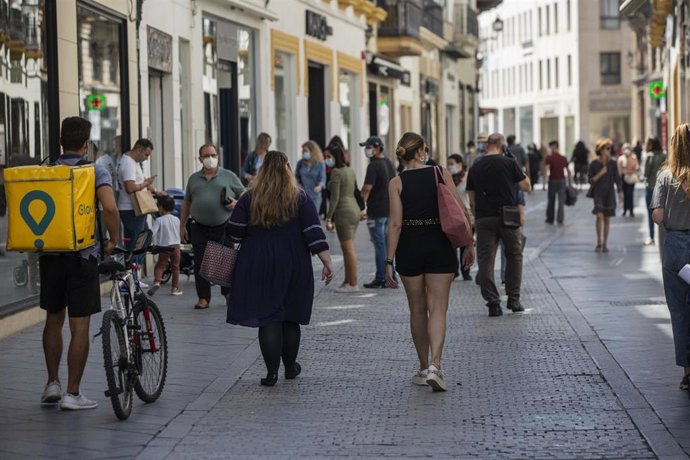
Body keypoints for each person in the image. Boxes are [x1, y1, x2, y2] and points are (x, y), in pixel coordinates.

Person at [226, 151, 334, 386]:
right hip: (293, 262)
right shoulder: (299, 198)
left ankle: (271, 373)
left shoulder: (250, 198)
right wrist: (326, 261)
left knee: (268, 317)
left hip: (256, 262)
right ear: (287, 170)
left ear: (262, 171)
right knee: (290, 317)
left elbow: (234, 232)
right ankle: (290, 367)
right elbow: (313, 232)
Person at [40, 117, 120, 410]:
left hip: (50, 256)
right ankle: (72, 394)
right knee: (80, 325)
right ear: (86, 144)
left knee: (53, 319)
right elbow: (109, 207)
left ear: (61, 142)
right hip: (83, 256)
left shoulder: (47, 170)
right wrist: (113, 239)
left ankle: (52, 383)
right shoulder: (94, 170)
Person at [385, 133, 474, 392]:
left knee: (416, 309)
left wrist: (388, 260)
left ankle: (423, 368)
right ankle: (436, 365)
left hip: (410, 247)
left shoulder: (396, 183)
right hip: (439, 245)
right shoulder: (439, 172)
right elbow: (460, 209)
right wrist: (469, 242)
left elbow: (395, 224)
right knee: (438, 308)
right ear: (422, 151)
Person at [466, 132, 531, 317]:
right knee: (514, 256)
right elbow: (527, 186)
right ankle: (513, 299)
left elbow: (471, 197)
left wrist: (476, 215)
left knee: (485, 260)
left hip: (484, 218)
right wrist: (517, 165)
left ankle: (493, 302)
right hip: (508, 217)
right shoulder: (509, 163)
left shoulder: (476, 166)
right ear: (503, 145)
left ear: (487, 145)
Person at [180, 143, 245, 310]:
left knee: (226, 260)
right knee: (200, 262)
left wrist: (236, 203)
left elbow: (244, 194)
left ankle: (228, 294)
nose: (211, 158)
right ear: (200, 158)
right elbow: (186, 202)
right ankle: (203, 298)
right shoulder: (194, 178)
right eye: (207, 155)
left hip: (223, 225)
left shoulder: (228, 175)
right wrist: (181, 226)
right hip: (199, 226)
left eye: (213, 155)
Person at [650, 123, 690, 395]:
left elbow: (658, 215)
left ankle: (687, 372)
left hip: (676, 247)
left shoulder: (665, 176)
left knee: (679, 312)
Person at [360, 136, 397, 289]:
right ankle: (391, 275)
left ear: (377, 148)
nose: (366, 150)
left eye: (369, 147)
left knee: (379, 244)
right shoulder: (388, 163)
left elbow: (367, 187)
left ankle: (381, 276)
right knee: (387, 243)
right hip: (388, 209)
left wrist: (361, 206)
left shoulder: (373, 165)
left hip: (375, 210)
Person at [325, 144, 361, 292]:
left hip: (343, 212)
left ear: (335, 157)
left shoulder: (336, 172)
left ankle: (353, 283)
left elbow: (334, 198)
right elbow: (355, 190)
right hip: (354, 210)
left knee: (348, 248)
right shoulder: (350, 170)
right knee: (348, 247)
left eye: (329, 157)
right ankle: (348, 280)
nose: (327, 159)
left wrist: (328, 218)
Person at [117, 138, 156, 259]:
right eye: (146, 154)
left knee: (140, 239)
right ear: (139, 150)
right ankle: (133, 270)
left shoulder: (133, 162)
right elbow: (130, 187)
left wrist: (152, 188)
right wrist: (145, 183)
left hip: (135, 209)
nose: (147, 158)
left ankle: (132, 270)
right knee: (139, 242)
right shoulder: (129, 163)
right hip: (132, 209)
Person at [588, 138, 623, 253]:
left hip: (609, 194)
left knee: (607, 219)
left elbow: (617, 179)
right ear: (601, 150)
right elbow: (590, 180)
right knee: (599, 217)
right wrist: (600, 173)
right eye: (607, 148)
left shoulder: (612, 163)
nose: (609, 150)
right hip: (598, 193)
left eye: (610, 148)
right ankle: (598, 241)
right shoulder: (594, 164)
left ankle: (605, 244)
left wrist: (620, 192)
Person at [148, 195, 183, 297]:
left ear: (161, 207)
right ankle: (175, 288)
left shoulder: (159, 220)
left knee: (161, 265)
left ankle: (157, 282)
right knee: (175, 267)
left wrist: (149, 243)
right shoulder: (177, 219)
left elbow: (152, 233)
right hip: (176, 245)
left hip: (164, 246)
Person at [448, 153, 473, 281]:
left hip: (467, 214)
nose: (449, 166)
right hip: (452, 215)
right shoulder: (447, 178)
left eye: (452, 164)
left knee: (465, 244)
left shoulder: (468, 177)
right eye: (448, 164)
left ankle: (466, 271)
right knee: (452, 244)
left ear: (459, 164)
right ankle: (454, 270)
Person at [643, 136, 666, 246]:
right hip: (661, 189)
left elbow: (645, 174)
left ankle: (652, 237)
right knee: (662, 213)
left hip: (650, 188)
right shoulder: (663, 155)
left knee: (650, 214)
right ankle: (663, 236)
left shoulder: (649, 156)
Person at [544, 140, 572, 225]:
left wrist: (544, 183)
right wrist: (570, 184)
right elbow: (569, 171)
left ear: (553, 147)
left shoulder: (549, 158)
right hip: (561, 181)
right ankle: (560, 219)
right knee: (561, 202)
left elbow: (547, 170)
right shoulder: (563, 158)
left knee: (551, 201)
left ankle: (550, 218)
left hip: (552, 181)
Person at [295, 140, 326, 212]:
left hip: (315, 196)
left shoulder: (320, 164)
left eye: (306, 151)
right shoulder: (300, 163)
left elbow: (323, 178)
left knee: (313, 217)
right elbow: (296, 178)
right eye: (303, 151)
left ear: (313, 151)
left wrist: (320, 186)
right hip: (303, 196)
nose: (304, 153)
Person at [619, 143, 639, 217]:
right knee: (625, 194)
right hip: (623, 178)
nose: (626, 150)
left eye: (628, 148)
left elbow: (637, 167)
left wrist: (632, 171)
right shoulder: (621, 158)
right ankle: (625, 209)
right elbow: (620, 170)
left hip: (631, 178)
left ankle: (631, 210)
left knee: (630, 194)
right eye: (625, 148)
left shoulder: (634, 157)